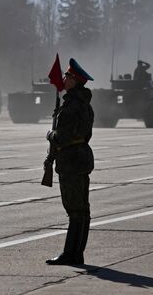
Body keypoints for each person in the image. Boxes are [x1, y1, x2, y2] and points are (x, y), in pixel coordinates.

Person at [45, 58, 95, 265]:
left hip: (71, 162)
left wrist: (50, 134)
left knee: (74, 210)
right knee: (82, 209)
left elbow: (62, 137)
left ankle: (70, 254)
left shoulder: (71, 106)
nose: (64, 79)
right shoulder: (84, 105)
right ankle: (77, 253)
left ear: (74, 81)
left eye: (67, 76)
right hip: (81, 158)